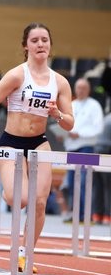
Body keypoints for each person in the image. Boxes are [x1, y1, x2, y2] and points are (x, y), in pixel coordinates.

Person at [0, 22, 73, 273]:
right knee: (21, 199)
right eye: (34, 40)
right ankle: (8, 193)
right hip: (11, 143)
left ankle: (25, 253)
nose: (40, 44)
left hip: (39, 143)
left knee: (39, 203)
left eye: (44, 40)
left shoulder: (60, 82)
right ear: (26, 46)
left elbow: (69, 124)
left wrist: (57, 114)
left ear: (50, 45)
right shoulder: (17, 75)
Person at [59, 78, 104, 223]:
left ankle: (87, 214)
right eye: (78, 88)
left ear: (88, 90)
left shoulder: (94, 105)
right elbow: (65, 124)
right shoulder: (71, 104)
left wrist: (80, 134)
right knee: (71, 182)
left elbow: (98, 128)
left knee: (84, 181)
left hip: (86, 147)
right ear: (75, 89)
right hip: (71, 148)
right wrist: (62, 134)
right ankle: (76, 213)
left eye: (83, 88)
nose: (80, 91)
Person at [92, 112, 111, 224]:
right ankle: (108, 215)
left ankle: (97, 214)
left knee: (98, 185)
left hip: (97, 150)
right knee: (108, 186)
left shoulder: (106, 117)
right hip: (107, 151)